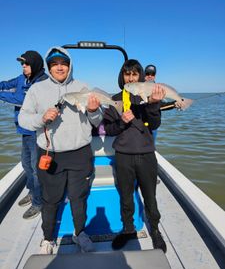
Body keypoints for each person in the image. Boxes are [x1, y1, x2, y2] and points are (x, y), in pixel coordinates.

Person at [18, 47, 103, 254]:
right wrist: (41, 118)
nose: (59, 67)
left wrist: (93, 111)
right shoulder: (37, 90)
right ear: (48, 66)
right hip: (50, 154)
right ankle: (48, 238)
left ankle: (79, 233)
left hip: (80, 153)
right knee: (50, 198)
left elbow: (97, 120)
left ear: (70, 65)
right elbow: (23, 119)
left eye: (63, 63)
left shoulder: (83, 87)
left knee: (79, 197)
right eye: (54, 63)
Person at [103, 59, 167, 253]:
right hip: (123, 155)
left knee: (150, 195)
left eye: (134, 74)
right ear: (122, 77)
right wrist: (122, 122)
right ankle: (128, 228)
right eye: (127, 74)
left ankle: (155, 230)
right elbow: (109, 129)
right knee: (125, 195)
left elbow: (154, 125)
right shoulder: (114, 99)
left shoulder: (147, 97)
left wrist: (153, 105)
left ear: (140, 76)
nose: (130, 78)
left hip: (147, 154)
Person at [0, 51, 48, 219]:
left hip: (37, 132)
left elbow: (19, 98)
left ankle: (38, 202)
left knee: (36, 169)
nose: (23, 67)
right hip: (24, 130)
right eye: (22, 64)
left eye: (25, 64)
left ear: (34, 64)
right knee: (26, 165)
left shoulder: (42, 82)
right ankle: (32, 191)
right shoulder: (22, 78)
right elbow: (7, 84)